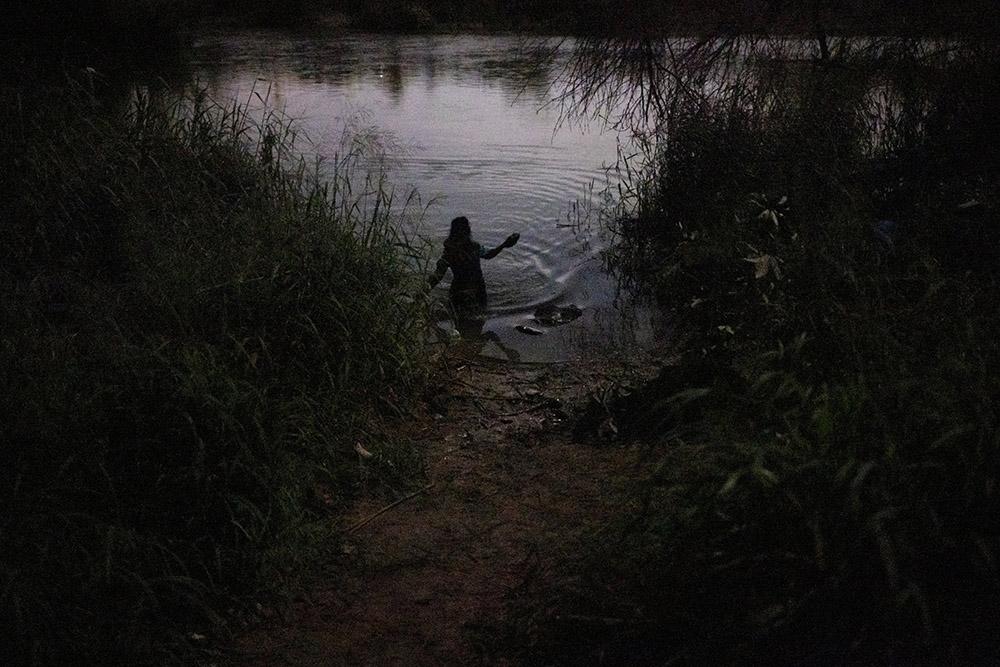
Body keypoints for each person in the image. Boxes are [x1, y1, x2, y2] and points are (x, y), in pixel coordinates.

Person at [428, 216, 519, 314]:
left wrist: (425, 291)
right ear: (468, 231)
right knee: (479, 315)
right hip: (476, 289)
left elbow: (438, 276)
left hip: (461, 290)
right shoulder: (472, 248)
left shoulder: (451, 251)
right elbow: (489, 254)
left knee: (457, 317)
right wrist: (504, 244)